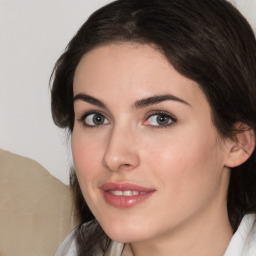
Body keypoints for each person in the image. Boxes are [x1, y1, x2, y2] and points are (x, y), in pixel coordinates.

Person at [51, 0, 256, 255]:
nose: (114, 156)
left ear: (237, 142)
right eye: (96, 118)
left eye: (160, 119)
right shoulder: (77, 248)